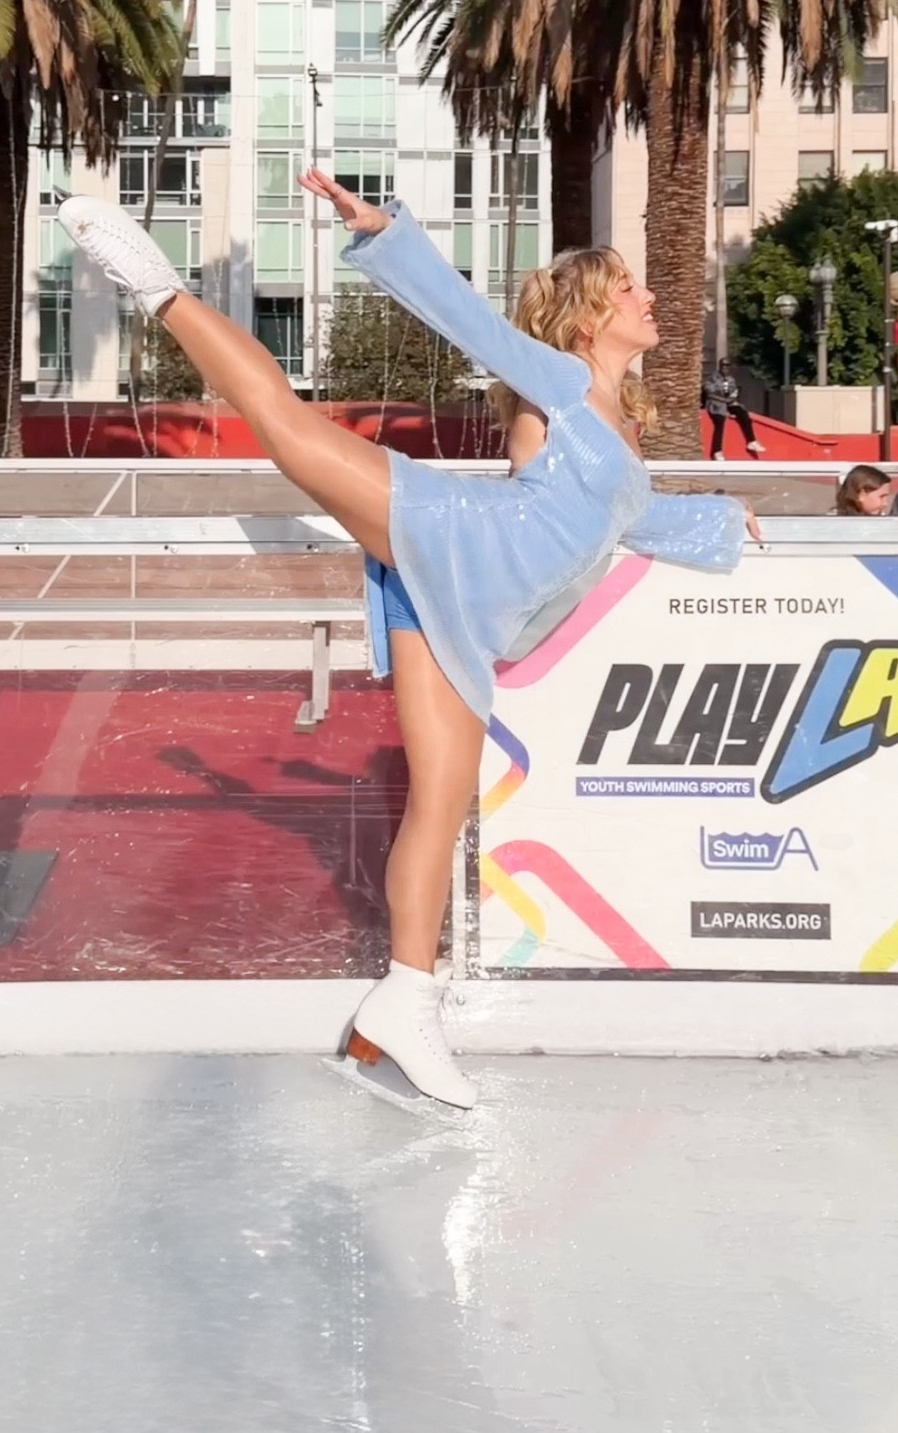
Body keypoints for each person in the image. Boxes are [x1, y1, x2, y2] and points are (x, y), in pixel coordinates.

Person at [58, 172, 758, 1111]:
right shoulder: (553, 381)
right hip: (447, 532)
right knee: (287, 428)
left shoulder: (615, 431)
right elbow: (467, 320)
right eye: (630, 287)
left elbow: (627, 523)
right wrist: (387, 233)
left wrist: (724, 518)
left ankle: (403, 1003)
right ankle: (157, 286)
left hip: (464, 613)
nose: (650, 295)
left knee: (442, 801)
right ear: (591, 319)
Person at [702, 359, 764, 460]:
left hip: (727, 403)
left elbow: (734, 391)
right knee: (719, 423)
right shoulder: (712, 378)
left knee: (743, 414)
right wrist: (724, 400)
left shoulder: (731, 379)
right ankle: (717, 451)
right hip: (716, 404)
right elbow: (710, 394)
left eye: (727, 365)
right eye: (723, 365)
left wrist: (731, 399)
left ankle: (751, 441)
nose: (725, 367)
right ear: (720, 366)